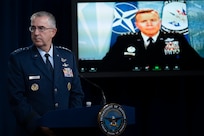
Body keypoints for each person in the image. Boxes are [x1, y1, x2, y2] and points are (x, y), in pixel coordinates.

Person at [7, 11, 84, 136]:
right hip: (33, 131)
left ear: (53, 32)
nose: (36, 33)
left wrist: (71, 121)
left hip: (65, 129)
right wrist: (38, 124)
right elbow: (17, 99)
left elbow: (77, 94)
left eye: (41, 28)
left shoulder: (67, 56)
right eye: (33, 28)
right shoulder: (19, 58)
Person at [100, 8, 203, 72]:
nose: (149, 24)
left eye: (153, 20)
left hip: (171, 88)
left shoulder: (177, 39)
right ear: (137, 25)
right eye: (144, 21)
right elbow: (106, 66)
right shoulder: (124, 40)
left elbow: (197, 64)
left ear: (160, 22)